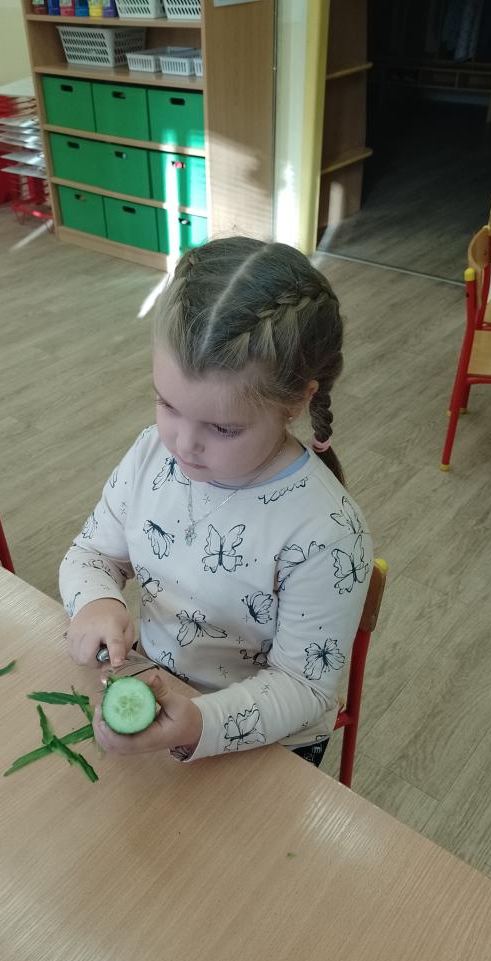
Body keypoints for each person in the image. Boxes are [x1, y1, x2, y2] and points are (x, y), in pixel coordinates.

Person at [60, 237, 373, 765]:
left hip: (267, 740)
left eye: (223, 428)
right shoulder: (151, 454)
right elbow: (91, 554)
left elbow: (304, 687)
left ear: (296, 402)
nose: (183, 444)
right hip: (159, 685)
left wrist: (200, 722)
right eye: (166, 404)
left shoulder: (327, 533)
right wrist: (95, 600)